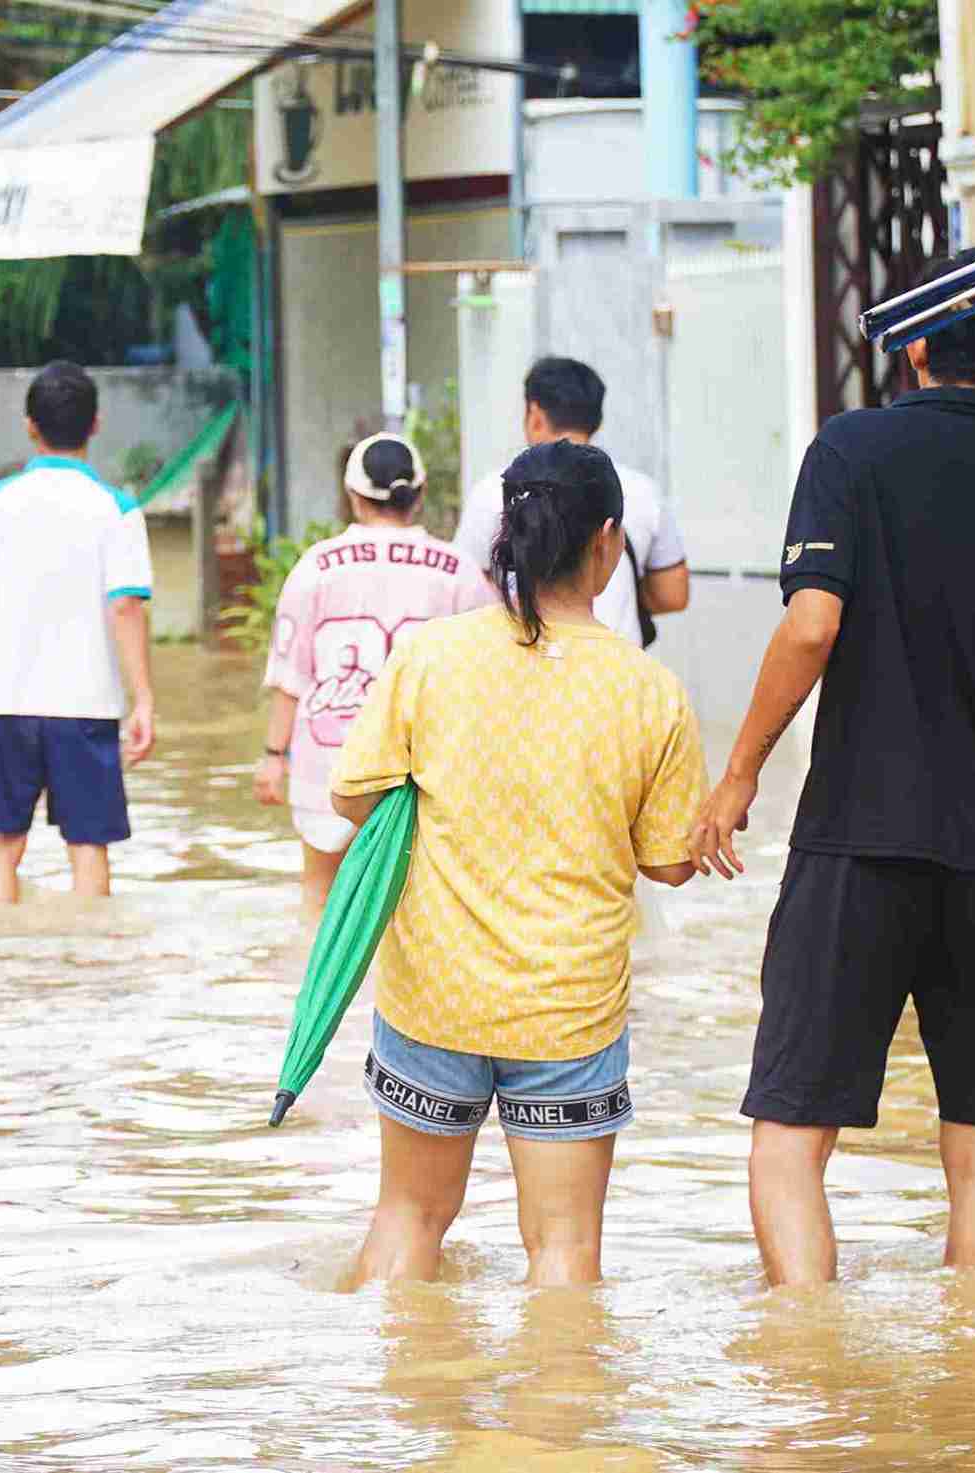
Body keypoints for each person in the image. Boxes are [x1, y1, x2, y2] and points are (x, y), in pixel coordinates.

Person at [687, 248, 975, 1288]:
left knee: (792, 1134)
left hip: (856, 839)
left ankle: (811, 1377)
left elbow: (810, 627)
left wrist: (740, 773)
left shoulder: (847, 453)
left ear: (918, 344)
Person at [329, 440, 706, 1289]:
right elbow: (671, 863)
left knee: (407, 1220)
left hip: (433, 995)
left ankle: (383, 1416)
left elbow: (352, 798)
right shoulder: (647, 689)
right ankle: (554, 1417)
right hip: (566, 1007)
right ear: (607, 543)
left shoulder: (432, 656)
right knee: (565, 1250)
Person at [254, 433, 495, 915]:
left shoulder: (314, 567)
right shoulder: (460, 571)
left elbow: (291, 675)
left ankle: (317, 987)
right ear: (420, 495)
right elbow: (486, 679)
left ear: (353, 497)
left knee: (321, 896)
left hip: (329, 761)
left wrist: (273, 756)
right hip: (424, 766)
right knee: (416, 907)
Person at [0, 362, 156, 904]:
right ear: (95, 424)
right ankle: (89, 972)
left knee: (2, 843)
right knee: (89, 846)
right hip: (86, 701)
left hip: (3, 699)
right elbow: (127, 609)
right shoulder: (117, 508)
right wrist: (145, 701)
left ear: (29, 426)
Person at [452, 357, 689, 644]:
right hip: (615, 667)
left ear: (535, 414)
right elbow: (672, 593)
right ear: (596, 419)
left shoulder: (497, 491)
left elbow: (463, 588)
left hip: (519, 665)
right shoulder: (642, 491)